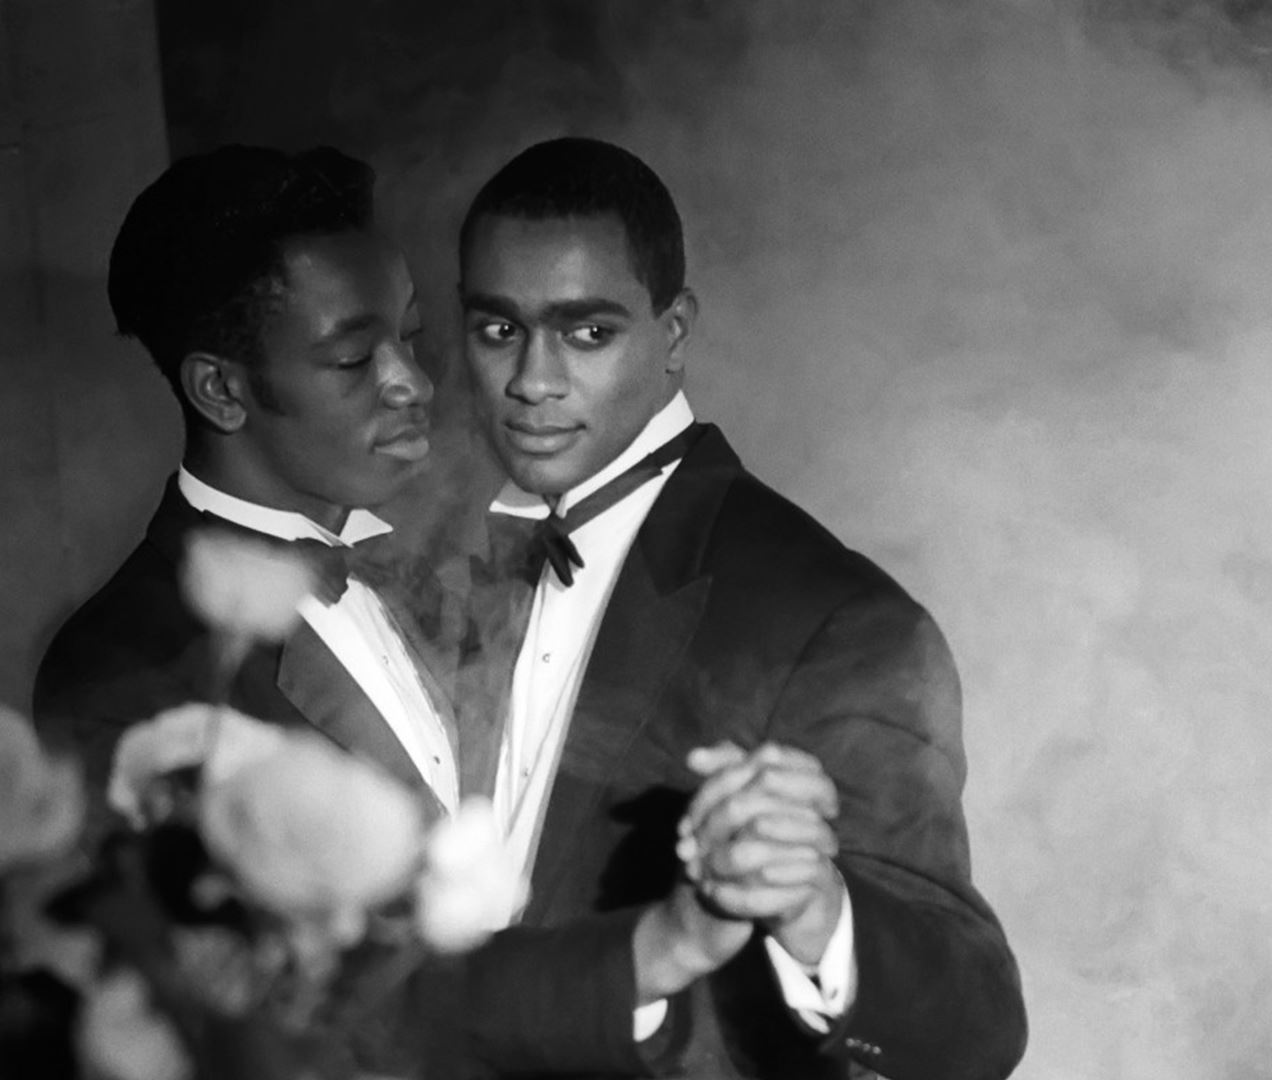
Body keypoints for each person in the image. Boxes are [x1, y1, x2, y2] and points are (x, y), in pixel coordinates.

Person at [445, 136, 1026, 1080]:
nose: (532, 381)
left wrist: (818, 912)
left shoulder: (839, 621)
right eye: (499, 329)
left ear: (674, 333)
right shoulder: (431, 569)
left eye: (587, 333)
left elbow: (975, 1023)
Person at [32, 145, 457, 818]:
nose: (415, 383)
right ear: (220, 389)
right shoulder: (123, 671)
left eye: (411, 336)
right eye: (353, 359)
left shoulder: (431, 569)